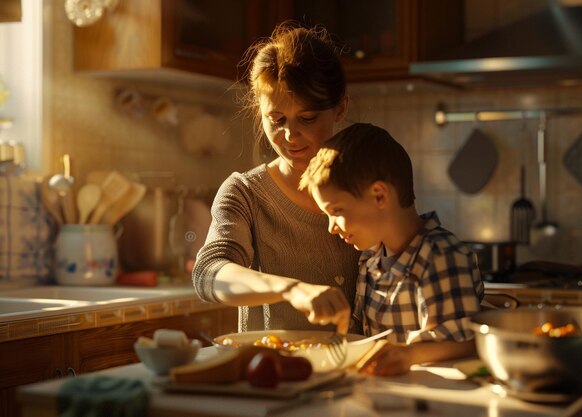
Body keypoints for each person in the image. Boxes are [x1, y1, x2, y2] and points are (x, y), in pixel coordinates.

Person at [192, 22, 360, 334]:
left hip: (359, 372)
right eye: (276, 119)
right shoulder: (245, 193)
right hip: (271, 375)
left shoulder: (365, 186)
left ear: (340, 109)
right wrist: (290, 289)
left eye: (307, 118)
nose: (290, 135)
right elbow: (209, 273)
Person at [299, 123, 485, 376]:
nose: (331, 228)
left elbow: (466, 341)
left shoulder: (439, 256)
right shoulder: (371, 259)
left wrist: (408, 354)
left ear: (379, 196)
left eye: (337, 212)